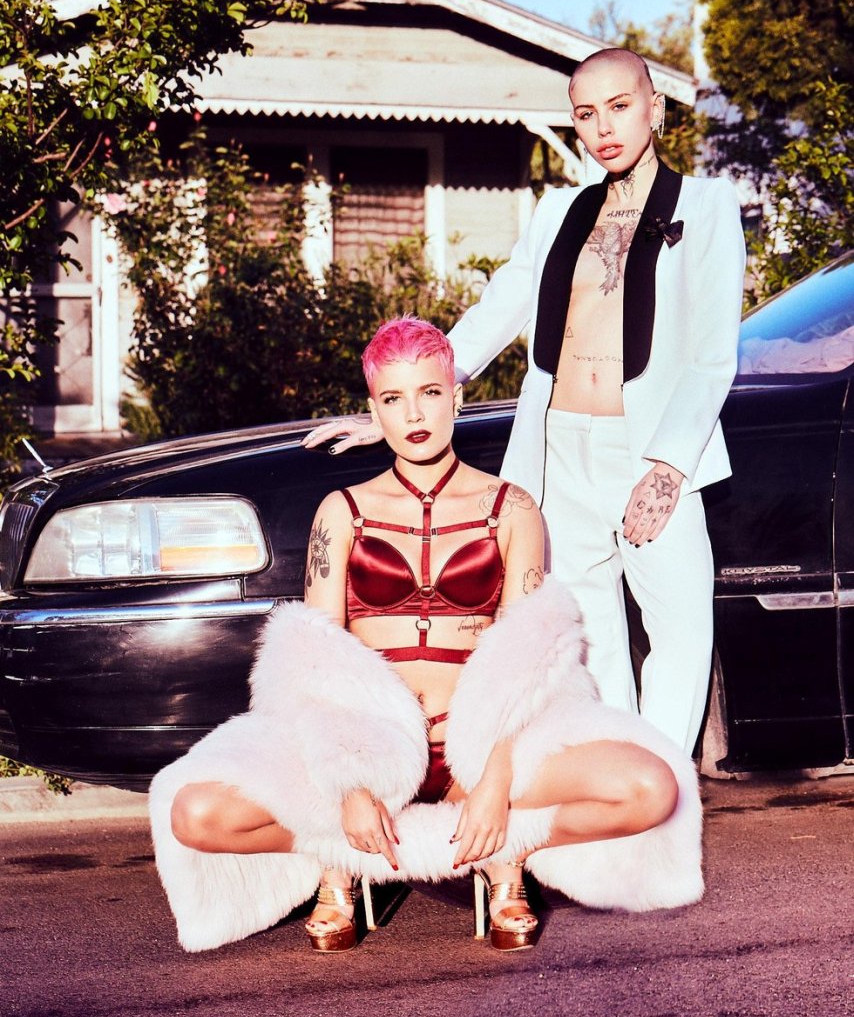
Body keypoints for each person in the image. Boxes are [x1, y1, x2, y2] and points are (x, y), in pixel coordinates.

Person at [149, 318, 704, 957]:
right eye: (393, 398)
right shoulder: (342, 512)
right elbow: (312, 663)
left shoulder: (512, 508)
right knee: (195, 814)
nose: (414, 414)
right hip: (372, 748)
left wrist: (495, 782)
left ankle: (507, 846)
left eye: (429, 393)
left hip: (478, 747)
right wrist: (350, 787)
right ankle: (337, 854)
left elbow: (526, 659)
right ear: (374, 412)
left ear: (456, 397)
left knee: (651, 790)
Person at [303, 48, 747, 758]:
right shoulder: (558, 212)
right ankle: (611, 787)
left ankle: (660, 788)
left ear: (656, 108)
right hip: (559, 447)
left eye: (620, 106)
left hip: (652, 449)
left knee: (682, 629)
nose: (604, 127)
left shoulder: (706, 206)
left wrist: (668, 467)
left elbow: (712, 353)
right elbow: (497, 310)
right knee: (586, 635)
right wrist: (413, 394)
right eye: (586, 114)